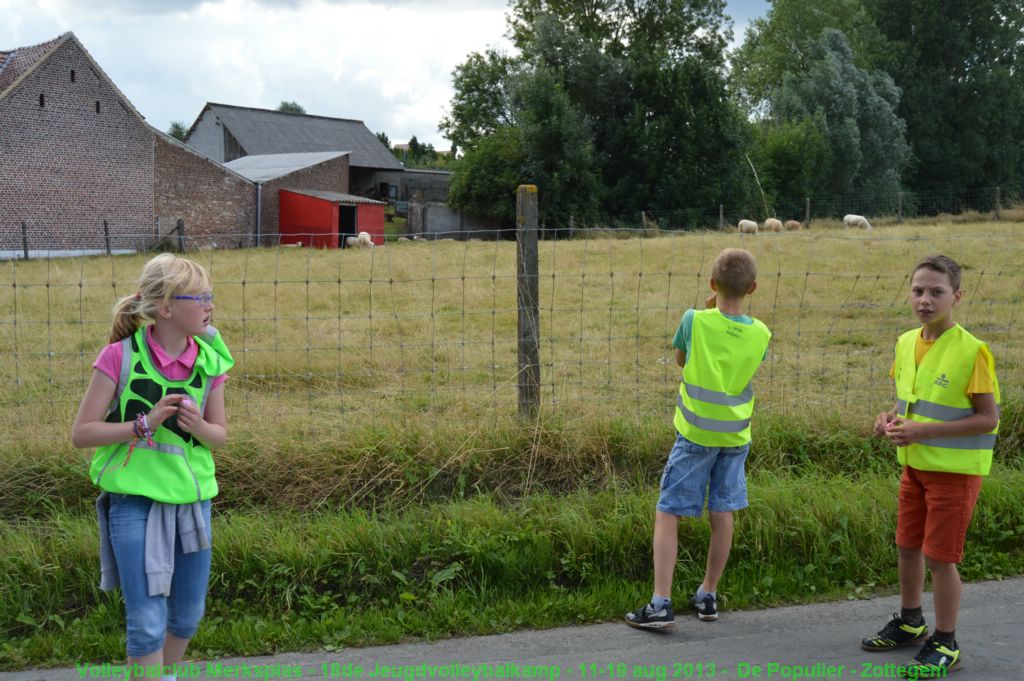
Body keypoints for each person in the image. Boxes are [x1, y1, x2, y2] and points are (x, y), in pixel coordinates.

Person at [71, 253, 233, 681]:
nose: (209, 305)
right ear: (165, 308)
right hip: (133, 502)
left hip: (193, 501)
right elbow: (82, 433)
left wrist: (198, 425)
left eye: (210, 296)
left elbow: (219, 436)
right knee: (145, 622)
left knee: (187, 616)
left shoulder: (210, 360)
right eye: (199, 297)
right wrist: (142, 424)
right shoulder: (118, 357)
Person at [861, 254, 999, 676]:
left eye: (936, 292)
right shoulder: (905, 342)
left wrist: (920, 431)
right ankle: (910, 620)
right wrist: (889, 419)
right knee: (907, 547)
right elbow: (909, 404)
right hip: (914, 468)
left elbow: (988, 418)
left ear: (956, 296)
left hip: (954, 476)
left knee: (940, 558)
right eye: (918, 290)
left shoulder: (972, 350)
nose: (925, 299)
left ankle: (946, 641)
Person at [626, 248, 771, 630]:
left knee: (669, 510)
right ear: (753, 288)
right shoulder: (762, 333)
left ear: (711, 284)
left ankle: (660, 602)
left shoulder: (694, 320)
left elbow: (680, 359)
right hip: (736, 436)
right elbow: (741, 352)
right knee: (721, 510)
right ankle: (708, 594)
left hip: (695, 435)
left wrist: (706, 312)